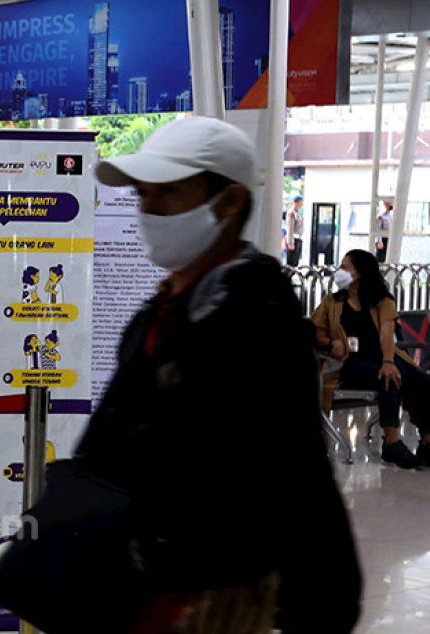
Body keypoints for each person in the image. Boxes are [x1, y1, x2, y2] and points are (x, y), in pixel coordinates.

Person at [77, 116, 361, 632]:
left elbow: (294, 469)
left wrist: (322, 604)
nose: (146, 209)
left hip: (212, 597)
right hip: (142, 583)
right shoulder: (162, 311)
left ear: (227, 203)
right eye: (142, 193)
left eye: (166, 193)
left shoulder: (255, 316)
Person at [311, 250, 430, 469]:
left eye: (346, 267)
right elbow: (316, 331)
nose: (340, 272)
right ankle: (391, 443)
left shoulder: (382, 301)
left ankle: (428, 443)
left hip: (384, 355)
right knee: (388, 379)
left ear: (361, 272)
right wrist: (330, 343)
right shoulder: (332, 302)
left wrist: (388, 361)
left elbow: (386, 332)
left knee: (425, 383)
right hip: (347, 361)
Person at [286, 195, 304, 266]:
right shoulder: (291, 213)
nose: (302, 204)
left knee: (296, 261)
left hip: (299, 238)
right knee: (291, 262)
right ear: (296, 202)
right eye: (300, 202)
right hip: (294, 239)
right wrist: (290, 242)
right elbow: (290, 228)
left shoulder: (299, 213)